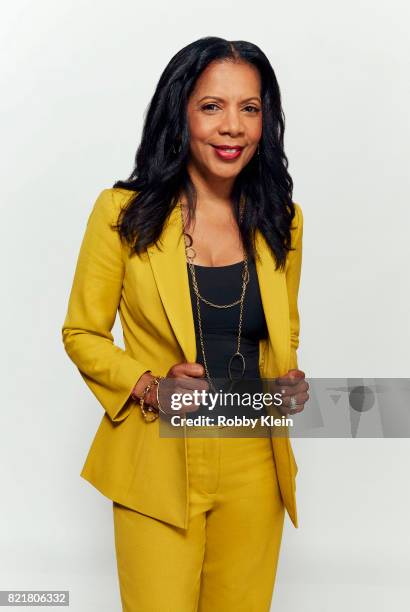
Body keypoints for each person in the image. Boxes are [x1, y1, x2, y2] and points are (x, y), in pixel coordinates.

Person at [62, 36, 309, 612]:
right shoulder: (121, 214)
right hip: (159, 460)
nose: (233, 127)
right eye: (212, 106)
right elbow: (81, 333)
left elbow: (283, 332)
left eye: (250, 108)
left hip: (255, 461)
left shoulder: (283, 221)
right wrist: (151, 386)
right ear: (181, 113)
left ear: (266, 120)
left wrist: (289, 381)